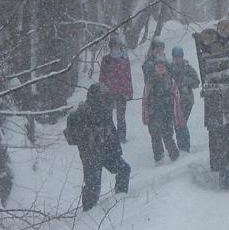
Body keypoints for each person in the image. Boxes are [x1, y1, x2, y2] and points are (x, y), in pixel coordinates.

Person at [73, 83, 130, 211]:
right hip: (91, 155)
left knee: (124, 169)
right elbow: (80, 135)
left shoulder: (104, 110)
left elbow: (111, 132)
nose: (106, 99)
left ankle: (120, 199)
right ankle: (88, 212)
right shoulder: (84, 111)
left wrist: (116, 151)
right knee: (93, 186)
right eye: (103, 96)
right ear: (96, 97)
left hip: (107, 152)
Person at [142, 57, 183, 163]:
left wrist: (175, 113)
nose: (160, 69)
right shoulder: (150, 82)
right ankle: (159, 159)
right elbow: (145, 99)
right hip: (153, 114)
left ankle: (175, 157)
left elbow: (176, 97)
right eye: (158, 67)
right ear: (154, 68)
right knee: (155, 137)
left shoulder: (170, 81)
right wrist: (146, 115)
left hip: (166, 113)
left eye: (162, 67)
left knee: (168, 136)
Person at [98, 33, 133, 142]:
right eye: (114, 46)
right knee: (107, 116)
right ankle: (110, 136)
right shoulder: (106, 60)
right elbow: (102, 76)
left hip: (122, 92)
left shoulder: (125, 59)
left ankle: (122, 137)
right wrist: (101, 91)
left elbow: (128, 76)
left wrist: (129, 92)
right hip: (109, 92)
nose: (116, 48)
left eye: (118, 45)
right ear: (111, 46)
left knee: (121, 117)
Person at [169, 46, 200, 152]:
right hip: (174, 101)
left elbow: (197, 82)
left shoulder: (188, 68)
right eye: (175, 57)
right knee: (177, 124)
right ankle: (181, 145)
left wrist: (186, 81)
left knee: (182, 123)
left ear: (182, 57)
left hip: (186, 100)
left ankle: (185, 146)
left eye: (179, 57)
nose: (177, 59)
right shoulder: (170, 68)